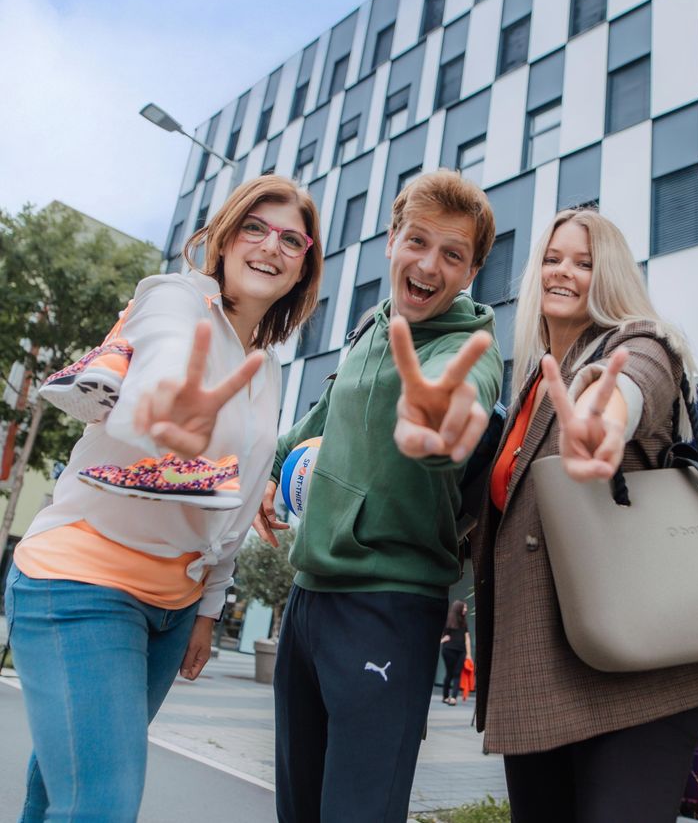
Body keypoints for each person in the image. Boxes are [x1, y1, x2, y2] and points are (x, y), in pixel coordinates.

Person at [5, 175, 323, 822]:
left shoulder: (265, 371)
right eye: (255, 228)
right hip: (81, 584)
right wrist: (166, 416)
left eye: (292, 239)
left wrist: (208, 609)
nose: (271, 246)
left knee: (60, 786)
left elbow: (234, 510)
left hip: (171, 614)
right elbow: (160, 374)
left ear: (303, 269)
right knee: (101, 804)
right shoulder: (176, 301)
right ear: (227, 239)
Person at [253, 169, 503, 823]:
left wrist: (447, 420)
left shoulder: (469, 345)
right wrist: (265, 470)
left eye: (453, 254)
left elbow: (464, 390)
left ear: (471, 271)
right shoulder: (372, 326)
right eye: (417, 242)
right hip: (308, 600)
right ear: (391, 241)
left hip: (388, 606)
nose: (429, 264)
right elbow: (322, 418)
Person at [468, 208, 698, 823]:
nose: (564, 271)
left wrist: (606, 423)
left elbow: (630, 386)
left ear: (607, 278)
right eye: (553, 258)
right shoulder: (530, 387)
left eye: (584, 263)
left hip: (637, 670)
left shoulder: (639, 344)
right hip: (538, 670)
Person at [440, 599, 472, 705]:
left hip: (461, 651)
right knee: (450, 673)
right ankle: (445, 696)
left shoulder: (464, 622)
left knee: (457, 674)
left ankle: (453, 698)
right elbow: (442, 636)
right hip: (448, 650)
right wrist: (443, 640)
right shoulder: (449, 620)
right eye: (464, 607)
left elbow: (467, 638)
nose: (466, 610)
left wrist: (468, 654)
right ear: (459, 608)